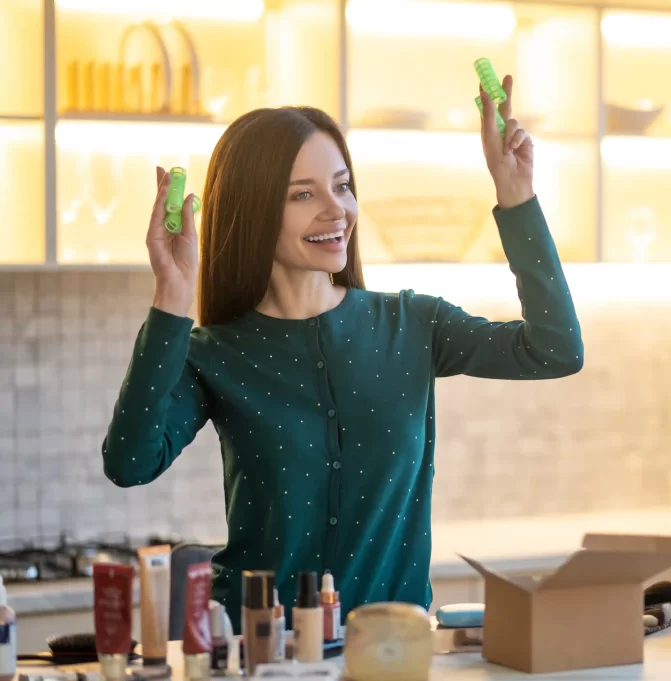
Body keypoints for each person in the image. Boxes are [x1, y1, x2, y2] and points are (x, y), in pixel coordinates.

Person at [101, 75, 584, 632]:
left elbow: (555, 350)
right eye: (303, 194)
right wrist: (172, 296)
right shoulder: (215, 354)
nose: (338, 211)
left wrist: (516, 194)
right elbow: (129, 462)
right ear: (254, 211)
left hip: (391, 650)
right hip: (259, 656)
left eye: (342, 186)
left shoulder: (413, 323)